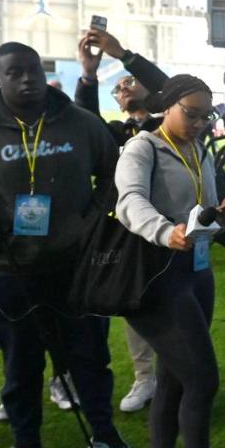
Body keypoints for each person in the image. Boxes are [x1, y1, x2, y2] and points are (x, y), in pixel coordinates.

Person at [0, 41, 140, 448]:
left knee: (89, 358)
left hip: (75, 267)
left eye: (33, 70)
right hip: (5, 269)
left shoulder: (82, 125)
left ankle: (105, 436)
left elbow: (115, 175)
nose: (26, 79)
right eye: (15, 72)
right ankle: (26, 447)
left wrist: (91, 220)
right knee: (20, 365)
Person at [115, 74, 225, 448]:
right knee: (201, 377)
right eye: (190, 113)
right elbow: (128, 202)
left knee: (174, 377)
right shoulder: (143, 147)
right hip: (157, 280)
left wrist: (219, 218)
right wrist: (164, 230)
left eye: (205, 116)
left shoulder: (197, 151)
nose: (198, 123)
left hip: (196, 274)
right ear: (167, 106)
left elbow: (199, 213)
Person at [77, 28, 170, 413]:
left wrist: (123, 54)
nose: (125, 87)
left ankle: (173, 375)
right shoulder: (113, 134)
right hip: (120, 230)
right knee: (132, 302)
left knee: (171, 300)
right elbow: (82, 119)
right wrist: (88, 74)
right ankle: (145, 377)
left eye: (131, 81)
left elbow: (170, 87)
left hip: (166, 225)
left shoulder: (167, 125)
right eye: (119, 87)